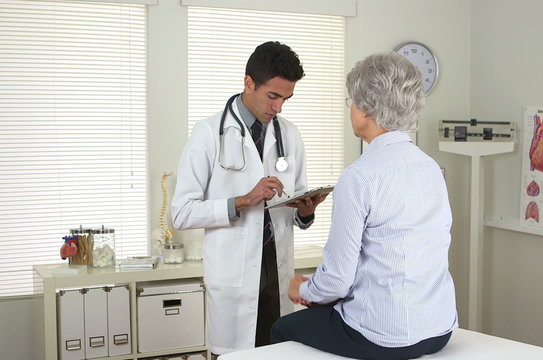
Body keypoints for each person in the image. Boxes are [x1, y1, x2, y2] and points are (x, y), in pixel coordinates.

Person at [271, 52, 458, 360]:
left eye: (352, 102)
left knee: (282, 329)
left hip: (383, 336)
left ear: (367, 108)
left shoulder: (359, 177)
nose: (350, 109)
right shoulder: (431, 168)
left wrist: (302, 290)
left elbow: (337, 281)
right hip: (439, 329)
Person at [171, 41, 327, 355]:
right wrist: (242, 200)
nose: (279, 107)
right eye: (273, 96)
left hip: (276, 274)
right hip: (234, 276)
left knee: (279, 352)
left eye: (286, 98)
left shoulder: (290, 134)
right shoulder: (208, 133)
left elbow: (295, 210)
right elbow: (182, 213)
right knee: (234, 354)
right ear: (249, 83)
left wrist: (306, 211)